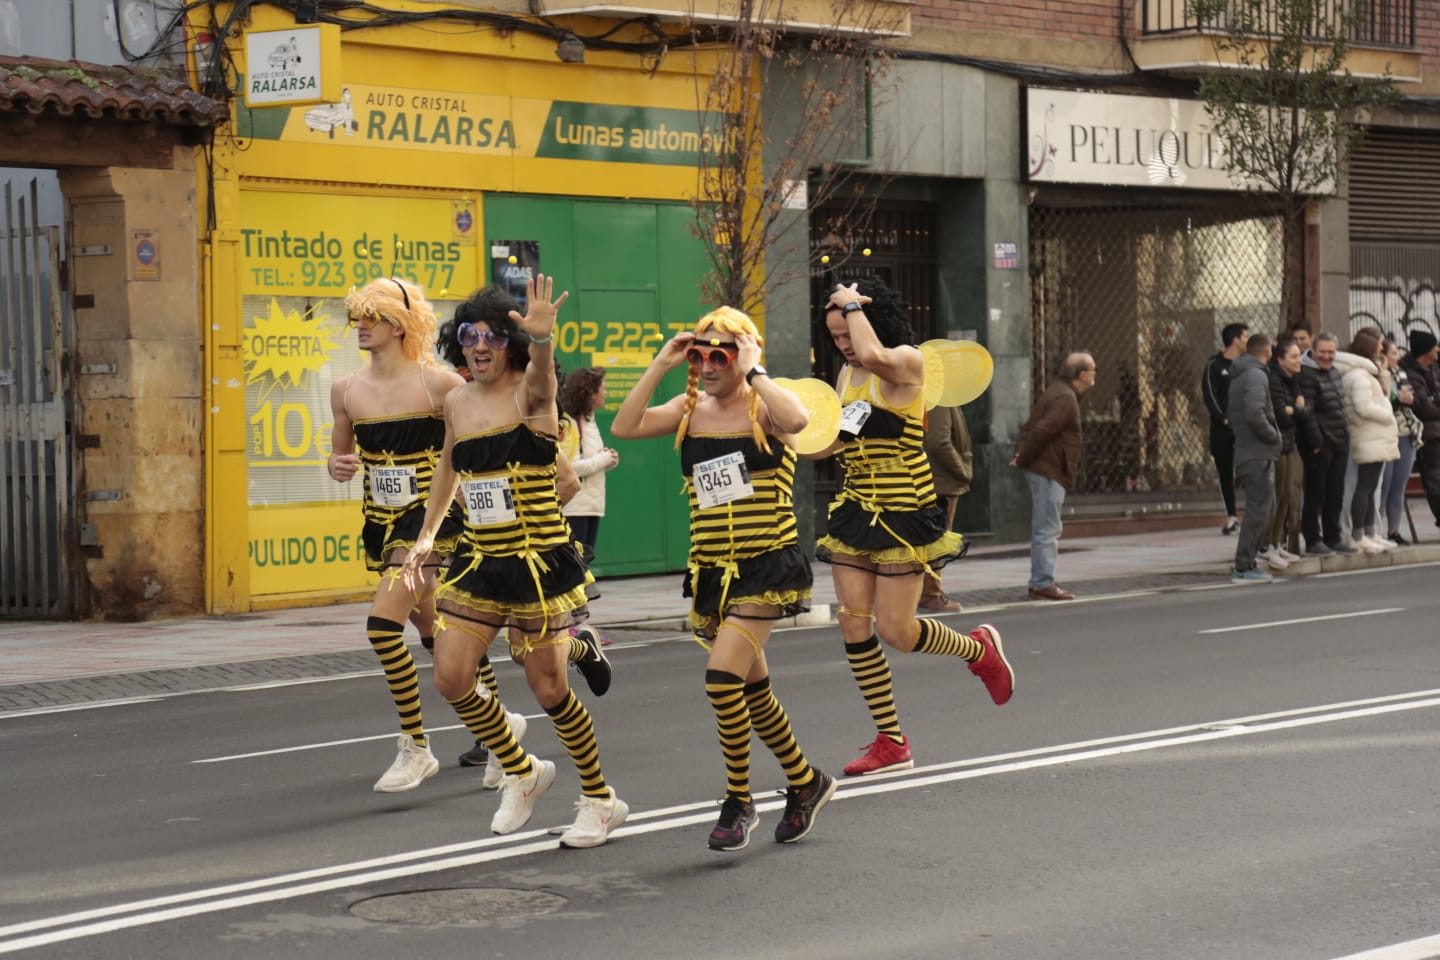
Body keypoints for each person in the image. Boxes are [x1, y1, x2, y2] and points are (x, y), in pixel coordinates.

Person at [402, 277, 625, 848]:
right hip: (479, 558)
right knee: (451, 677)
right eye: (470, 335)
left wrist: (544, 340)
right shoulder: (455, 401)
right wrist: (427, 538)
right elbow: (448, 473)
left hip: (537, 562)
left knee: (548, 690)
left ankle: (601, 800)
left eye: (495, 336)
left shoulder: (530, 392)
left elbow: (547, 382)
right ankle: (523, 771)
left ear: (512, 343)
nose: (480, 346)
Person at [611, 305, 836, 851]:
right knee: (753, 690)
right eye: (700, 354)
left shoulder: (766, 408)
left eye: (721, 354)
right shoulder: (691, 410)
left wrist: (757, 369)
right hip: (711, 568)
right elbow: (624, 425)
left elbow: (801, 423)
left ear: (743, 356)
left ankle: (739, 801)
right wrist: (663, 364)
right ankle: (806, 782)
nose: (708, 364)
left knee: (721, 678)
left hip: (766, 564)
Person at [815, 279, 1015, 778]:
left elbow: (874, 355)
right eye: (834, 335)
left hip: (905, 513)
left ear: (870, 319)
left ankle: (978, 649)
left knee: (897, 632)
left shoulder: (906, 360)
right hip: (857, 509)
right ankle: (891, 740)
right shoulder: (846, 375)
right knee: (853, 624)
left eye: (846, 332)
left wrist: (853, 302)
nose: (843, 345)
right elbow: (831, 444)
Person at [326, 277, 511, 793]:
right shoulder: (346, 390)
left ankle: (416, 745)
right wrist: (336, 464)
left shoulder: (440, 385)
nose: (360, 327)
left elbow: (478, 441)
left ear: (400, 324)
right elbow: (341, 455)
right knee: (442, 637)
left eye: (372, 318)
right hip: (381, 522)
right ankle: (500, 736)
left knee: (382, 627)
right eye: (356, 317)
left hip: (433, 522)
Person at [1013, 352, 1095, 600]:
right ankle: (1042, 583)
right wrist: (1022, 458)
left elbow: (1033, 427)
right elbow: (1041, 430)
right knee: (1047, 529)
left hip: (1046, 468)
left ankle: (1041, 580)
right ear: (1082, 374)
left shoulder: (1059, 392)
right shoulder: (1065, 398)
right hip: (1049, 470)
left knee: (1046, 526)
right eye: (1093, 370)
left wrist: (1021, 455)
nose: (1095, 375)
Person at [560, 366, 620, 630]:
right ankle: (573, 624)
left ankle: (578, 623)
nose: (605, 392)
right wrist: (602, 459)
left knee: (582, 565)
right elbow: (570, 466)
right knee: (575, 566)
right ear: (589, 393)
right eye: (601, 388)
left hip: (592, 505)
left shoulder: (590, 421)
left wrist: (604, 459)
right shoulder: (571, 424)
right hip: (576, 506)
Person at [1334, 328, 1399, 554]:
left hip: (1375, 437)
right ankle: (1358, 534)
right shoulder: (1358, 376)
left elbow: (1385, 392)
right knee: (1363, 487)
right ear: (1369, 347)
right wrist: (1388, 413)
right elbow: (1363, 407)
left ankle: (1371, 533)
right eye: (1380, 344)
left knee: (1371, 489)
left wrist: (1383, 371)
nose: (1383, 348)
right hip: (1367, 436)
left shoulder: (1368, 372)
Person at [1227, 334, 1280, 581]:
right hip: (1256, 452)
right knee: (1259, 510)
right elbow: (1254, 413)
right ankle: (1243, 565)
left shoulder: (1242, 375)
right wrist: (1273, 436)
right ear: (1267, 352)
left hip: (1251, 451)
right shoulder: (1257, 375)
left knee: (1265, 508)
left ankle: (1248, 562)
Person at [1297, 332, 1354, 556]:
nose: (1327, 356)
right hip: (1321, 444)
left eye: (1331, 352)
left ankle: (1333, 537)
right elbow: (1307, 413)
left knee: (1335, 493)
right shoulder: (1306, 375)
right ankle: (1313, 539)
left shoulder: (1334, 372)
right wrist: (1317, 442)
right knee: (1315, 494)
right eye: (1323, 351)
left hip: (1339, 441)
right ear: (1313, 349)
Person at [918, 404, 973, 613]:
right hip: (939, 481)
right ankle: (931, 594)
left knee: (933, 538)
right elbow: (938, 442)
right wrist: (963, 471)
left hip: (936, 479)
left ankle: (929, 592)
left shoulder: (943, 398)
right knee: (937, 539)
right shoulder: (940, 400)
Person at [1261, 335, 1306, 567]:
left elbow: (1299, 411)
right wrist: (1296, 410)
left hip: (1289, 443)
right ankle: (1267, 545)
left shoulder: (1293, 380)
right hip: (1277, 444)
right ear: (1280, 359)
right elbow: (1281, 415)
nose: (1299, 361)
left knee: (1287, 495)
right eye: (1294, 356)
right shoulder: (1275, 380)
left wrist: (1296, 410)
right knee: (1277, 495)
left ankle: (1277, 544)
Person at [1202, 323, 1249, 534]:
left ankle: (1255, 513)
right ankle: (1231, 515)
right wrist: (1223, 418)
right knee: (1225, 472)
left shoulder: (1248, 364)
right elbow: (1209, 395)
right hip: (1223, 430)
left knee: (1250, 470)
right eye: (1245, 336)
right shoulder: (1214, 364)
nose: (1248, 340)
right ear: (1236, 339)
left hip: (1245, 430)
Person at [1380, 335, 1421, 544]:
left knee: (1399, 485)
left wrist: (1410, 400)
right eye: (1394, 352)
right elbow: (1384, 403)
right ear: (1383, 355)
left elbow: (1411, 399)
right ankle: (1375, 530)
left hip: (1406, 432)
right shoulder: (1379, 375)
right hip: (1387, 433)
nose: (1398, 356)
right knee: (1383, 486)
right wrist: (1398, 400)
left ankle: (1393, 531)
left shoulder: (1401, 372)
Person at [1399, 328, 1440, 532]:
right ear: (1426, 351)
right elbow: (1423, 406)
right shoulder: (1409, 372)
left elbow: (1434, 397)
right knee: (1434, 478)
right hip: (1427, 434)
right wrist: (1433, 401)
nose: (1438, 350)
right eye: (1434, 347)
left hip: (1436, 428)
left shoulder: (1433, 368)